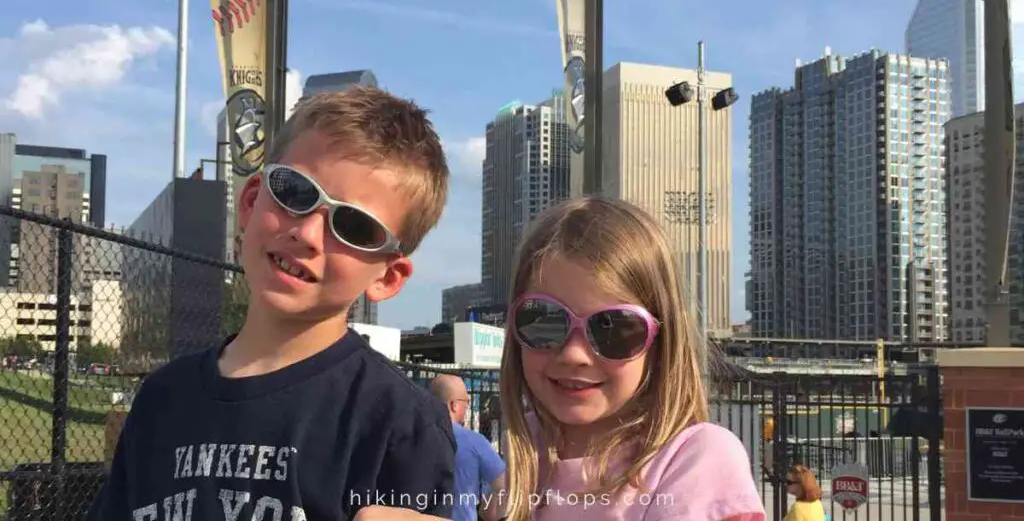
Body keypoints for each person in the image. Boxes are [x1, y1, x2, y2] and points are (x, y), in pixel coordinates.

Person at [87, 87, 457, 520]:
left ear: (388, 277)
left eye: (355, 227)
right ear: (249, 201)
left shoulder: (399, 423)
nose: (308, 235)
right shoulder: (161, 398)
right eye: (295, 193)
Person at [499, 196, 766, 521]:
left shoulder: (699, 459)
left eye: (614, 329)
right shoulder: (527, 448)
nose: (573, 354)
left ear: (661, 340)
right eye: (544, 320)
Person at [429, 375, 507, 521]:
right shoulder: (474, 442)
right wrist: (488, 510)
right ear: (454, 405)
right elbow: (503, 485)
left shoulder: (409, 437)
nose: (467, 407)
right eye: (466, 402)